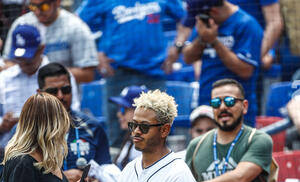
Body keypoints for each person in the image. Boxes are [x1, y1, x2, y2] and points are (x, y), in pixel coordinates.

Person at [76, 0, 186, 148]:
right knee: (118, 134)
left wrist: (177, 46)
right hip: (117, 72)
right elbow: (77, 23)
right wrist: (95, 54)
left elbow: (186, 17)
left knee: (158, 132)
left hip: (154, 71)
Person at [178, 0, 263, 127]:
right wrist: (201, 39)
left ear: (213, 11)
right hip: (207, 105)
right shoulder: (206, 23)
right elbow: (187, 58)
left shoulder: (246, 24)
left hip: (235, 108)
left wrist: (214, 42)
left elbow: (246, 70)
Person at [0, 24, 80, 157]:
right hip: (10, 153)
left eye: (28, 57)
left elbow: (73, 112)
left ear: (41, 49)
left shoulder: (59, 76)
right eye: (19, 58)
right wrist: (3, 124)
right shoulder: (4, 79)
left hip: (55, 149)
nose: (23, 62)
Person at [2, 0, 98, 83]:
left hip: (61, 96)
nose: (38, 11)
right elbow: (7, 63)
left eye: (44, 6)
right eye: (33, 6)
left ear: (57, 2)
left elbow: (88, 74)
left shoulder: (76, 27)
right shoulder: (21, 24)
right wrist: (29, 69)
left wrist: (49, 74)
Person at [109, 85, 148, 169]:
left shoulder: (146, 145)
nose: (119, 114)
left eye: (123, 109)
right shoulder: (130, 138)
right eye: (119, 109)